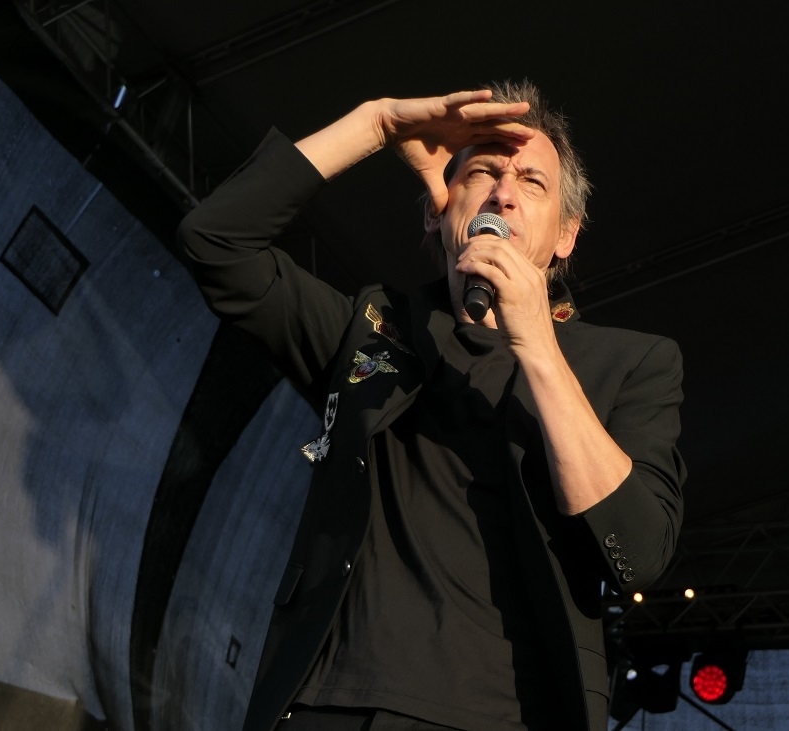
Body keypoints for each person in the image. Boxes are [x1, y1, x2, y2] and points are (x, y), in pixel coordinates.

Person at [178, 81, 687, 731]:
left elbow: (638, 554)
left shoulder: (631, 363)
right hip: (336, 703)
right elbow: (214, 241)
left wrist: (538, 344)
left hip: (507, 717)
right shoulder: (373, 327)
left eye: (531, 182)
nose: (503, 193)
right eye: (482, 173)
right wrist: (375, 124)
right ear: (437, 212)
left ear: (566, 235)